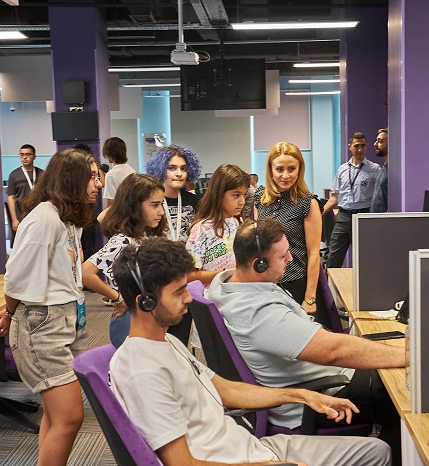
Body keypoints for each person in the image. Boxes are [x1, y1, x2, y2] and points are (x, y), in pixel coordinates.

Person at [109, 237, 391, 466]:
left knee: (377, 451)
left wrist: (302, 395)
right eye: (178, 292)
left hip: (250, 447)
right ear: (146, 302)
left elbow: (227, 390)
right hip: (238, 461)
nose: (188, 298)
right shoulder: (143, 372)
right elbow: (184, 464)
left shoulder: (166, 342)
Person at [207, 218, 405, 464]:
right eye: (283, 256)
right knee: (401, 396)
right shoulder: (257, 314)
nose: (290, 259)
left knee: (386, 371)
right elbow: (333, 351)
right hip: (314, 397)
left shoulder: (227, 283)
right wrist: (409, 355)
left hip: (312, 376)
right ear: (258, 264)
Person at [0, 147, 102, 466]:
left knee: (56, 415)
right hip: (43, 325)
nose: (98, 184)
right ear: (71, 179)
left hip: (64, 319)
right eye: (91, 177)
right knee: (69, 416)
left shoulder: (68, 219)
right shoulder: (44, 219)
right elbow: (16, 278)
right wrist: (11, 312)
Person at [82, 174, 166, 348]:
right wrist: (119, 299)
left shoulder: (143, 234)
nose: (161, 211)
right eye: (154, 205)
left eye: (161, 204)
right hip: (130, 320)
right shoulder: (123, 241)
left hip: (146, 314)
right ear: (134, 206)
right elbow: (85, 273)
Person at [254, 142, 329, 327]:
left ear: (299, 170)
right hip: (265, 284)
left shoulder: (307, 203)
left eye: (291, 169)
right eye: (279, 169)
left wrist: (310, 297)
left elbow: (313, 253)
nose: (286, 175)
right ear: (270, 170)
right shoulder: (260, 197)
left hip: (296, 283)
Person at [323, 132, 381, 268]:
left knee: (365, 259)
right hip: (343, 217)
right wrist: (318, 213)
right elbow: (335, 197)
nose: (360, 150)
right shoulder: (342, 169)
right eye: (356, 146)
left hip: (363, 217)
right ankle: (329, 283)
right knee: (333, 259)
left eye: (363, 146)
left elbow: (380, 197)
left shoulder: (375, 169)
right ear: (349, 147)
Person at [186, 164, 249, 285]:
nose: (242, 201)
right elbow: (190, 275)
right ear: (219, 194)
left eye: (244, 195)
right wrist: (227, 272)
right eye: (236, 195)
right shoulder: (202, 229)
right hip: (211, 294)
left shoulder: (240, 224)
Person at [145, 145, 201, 243]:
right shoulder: (149, 200)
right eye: (172, 168)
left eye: (183, 169)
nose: (179, 173)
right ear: (160, 170)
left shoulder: (195, 201)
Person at [6, 144, 43, 246]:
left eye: (28, 154)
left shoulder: (42, 174)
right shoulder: (14, 175)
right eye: (22, 155)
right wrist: (14, 219)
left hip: (39, 215)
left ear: (34, 156)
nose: (24, 157)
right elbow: (11, 197)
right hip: (22, 216)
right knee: (24, 245)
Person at [101, 137, 136, 207]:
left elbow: (110, 202)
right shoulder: (132, 171)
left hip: (119, 211)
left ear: (110, 154)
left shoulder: (111, 174)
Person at [370, 129, 389, 213]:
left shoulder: (394, 171)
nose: (375, 144)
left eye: (380, 141)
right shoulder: (384, 168)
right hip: (376, 218)